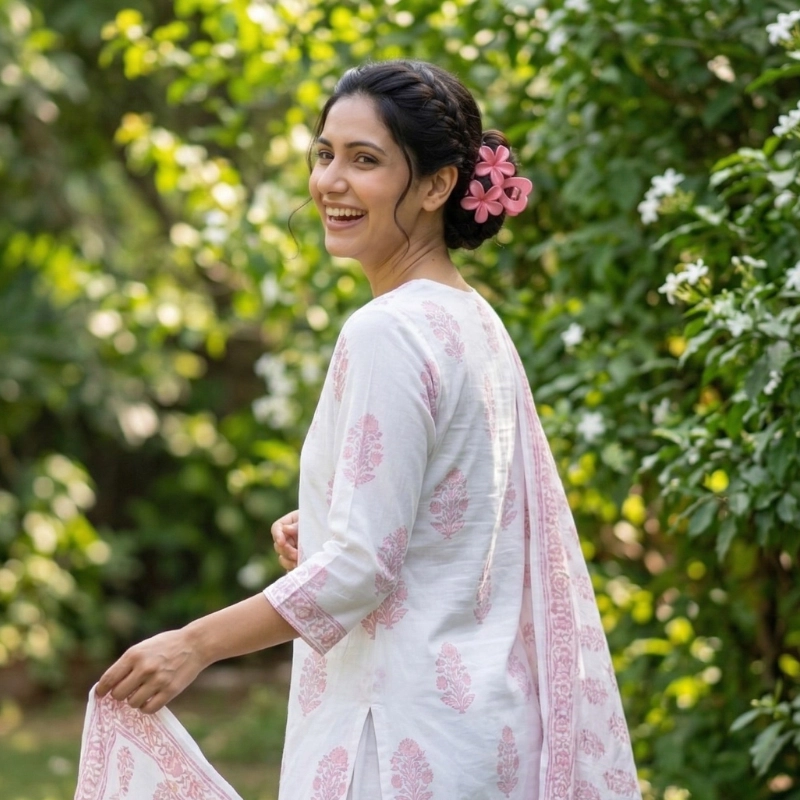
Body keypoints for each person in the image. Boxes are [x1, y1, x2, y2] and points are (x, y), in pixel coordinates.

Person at [93, 60, 641, 800]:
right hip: (485, 737)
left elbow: (360, 569)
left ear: (437, 185)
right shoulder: (472, 319)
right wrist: (326, 523)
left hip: (397, 743)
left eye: (365, 160)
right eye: (325, 154)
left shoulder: (389, 329)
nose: (331, 183)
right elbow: (454, 520)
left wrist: (191, 646)